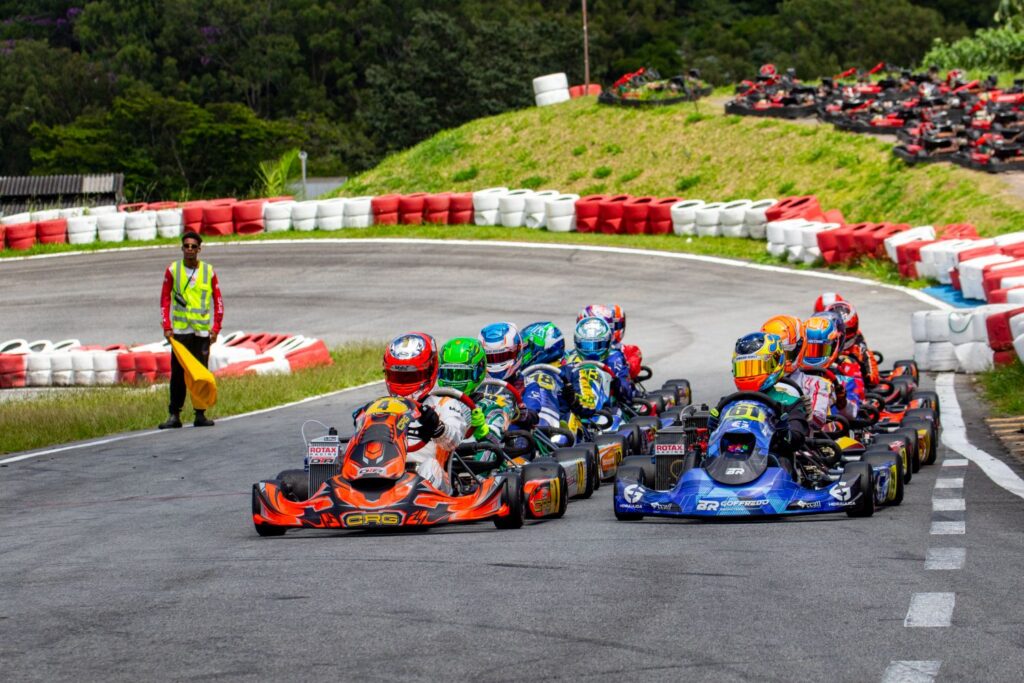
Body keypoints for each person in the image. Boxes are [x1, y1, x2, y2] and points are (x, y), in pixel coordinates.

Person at [369, 332, 469, 494]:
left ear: (430, 370)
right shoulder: (380, 406)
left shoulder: (445, 404)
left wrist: (438, 427)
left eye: (412, 376)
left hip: (426, 477)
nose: (404, 383)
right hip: (383, 472)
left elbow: (454, 440)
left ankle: (414, 496)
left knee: (430, 466)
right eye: (398, 376)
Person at [158, 231, 223, 429]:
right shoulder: (173, 270)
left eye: (193, 247)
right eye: (186, 246)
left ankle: (200, 414)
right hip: (180, 332)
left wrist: (216, 327)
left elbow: (218, 301)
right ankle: (174, 414)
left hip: (202, 332)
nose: (189, 250)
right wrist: (167, 326)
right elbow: (165, 299)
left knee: (200, 373)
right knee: (178, 373)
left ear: (199, 250)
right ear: (182, 248)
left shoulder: (209, 271)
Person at [716, 332, 809, 465]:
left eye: (755, 367)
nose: (750, 375)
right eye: (744, 369)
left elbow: (797, 439)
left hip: (770, 463)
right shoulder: (727, 403)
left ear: (775, 364)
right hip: (726, 461)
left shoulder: (790, 402)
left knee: (783, 461)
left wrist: (784, 433)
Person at [564, 316, 635, 404]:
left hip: (609, 408)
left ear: (608, 342)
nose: (592, 352)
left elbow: (627, 394)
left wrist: (616, 382)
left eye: (598, 345)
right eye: (586, 345)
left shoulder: (615, 359)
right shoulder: (568, 358)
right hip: (575, 405)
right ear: (577, 343)